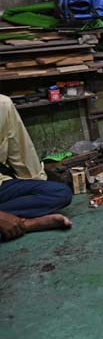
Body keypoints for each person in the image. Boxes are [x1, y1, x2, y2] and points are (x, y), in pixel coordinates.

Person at [0, 95, 73, 242]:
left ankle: (12, 222)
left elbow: (21, 153)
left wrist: (39, 189)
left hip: (2, 186)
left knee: (60, 192)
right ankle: (27, 224)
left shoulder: (3, 104)